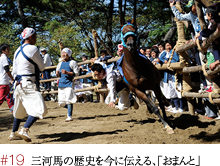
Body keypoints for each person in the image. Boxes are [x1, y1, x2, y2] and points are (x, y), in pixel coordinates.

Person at [8, 27, 47, 142]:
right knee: (40, 109)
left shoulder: (17, 51)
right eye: (35, 37)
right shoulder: (33, 48)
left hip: (18, 84)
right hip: (28, 83)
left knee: (19, 111)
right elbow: (42, 67)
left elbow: (14, 71)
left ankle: (13, 133)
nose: (36, 39)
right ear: (30, 37)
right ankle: (24, 129)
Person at [159, 40, 184, 113]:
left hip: (175, 76)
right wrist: (164, 60)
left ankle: (181, 107)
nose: (168, 47)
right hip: (168, 76)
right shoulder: (164, 53)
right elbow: (160, 60)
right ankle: (176, 107)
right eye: (167, 45)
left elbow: (175, 60)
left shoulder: (174, 52)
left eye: (169, 45)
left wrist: (167, 61)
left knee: (179, 91)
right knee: (172, 93)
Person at [56, 48, 79, 122]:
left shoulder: (72, 62)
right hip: (61, 83)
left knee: (68, 100)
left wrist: (67, 73)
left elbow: (76, 73)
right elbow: (58, 74)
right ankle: (70, 107)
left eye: (65, 53)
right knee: (61, 102)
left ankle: (69, 116)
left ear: (68, 54)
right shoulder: (60, 64)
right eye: (62, 53)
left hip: (69, 83)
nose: (63, 54)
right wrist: (57, 73)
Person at [0, 43, 14, 113]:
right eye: (7, 49)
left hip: (4, 81)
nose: (9, 51)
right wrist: (12, 78)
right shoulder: (4, 58)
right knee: (1, 99)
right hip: (3, 82)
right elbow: (7, 70)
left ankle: (14, 112)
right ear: (3, 50)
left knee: (9, 98)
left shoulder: (1, 58)